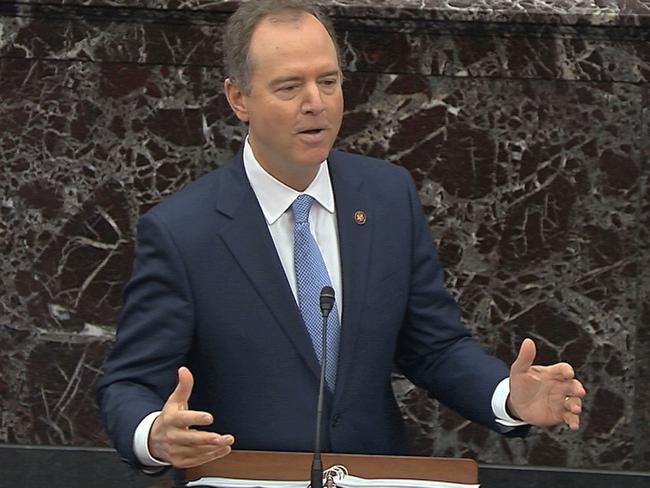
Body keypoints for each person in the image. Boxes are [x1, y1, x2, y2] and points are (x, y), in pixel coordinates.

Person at [96, 0, 586, 472]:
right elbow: (128, 382)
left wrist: (508, 398)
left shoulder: (386, 196)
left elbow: (433, 347)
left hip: (371, 473)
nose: (316, 103)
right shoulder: (184, 232)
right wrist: (153, 434)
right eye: (289, 88)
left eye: (328, 82)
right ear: (238, 98)